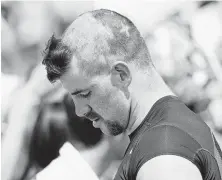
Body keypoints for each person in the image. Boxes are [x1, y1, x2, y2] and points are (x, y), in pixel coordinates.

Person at [42, 9, 222, 180]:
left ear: (121, 74)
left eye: (85, 94)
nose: (80, 111)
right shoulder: (163, 137)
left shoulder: (164, 154)